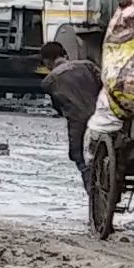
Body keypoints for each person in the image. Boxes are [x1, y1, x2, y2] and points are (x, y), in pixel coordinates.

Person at [40, 42, 103, 189]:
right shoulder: (88, 65)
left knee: (79, 156)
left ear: (47, 61)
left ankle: (93, 192)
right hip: (102, 117)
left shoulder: (49, 82)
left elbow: (59, 107)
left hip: (78, 123)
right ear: (65, 54)